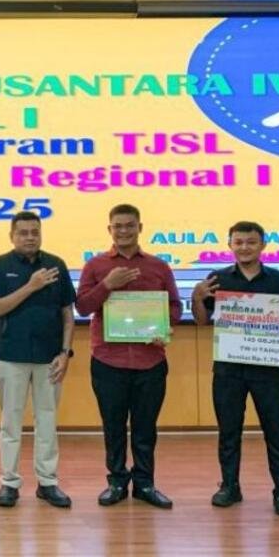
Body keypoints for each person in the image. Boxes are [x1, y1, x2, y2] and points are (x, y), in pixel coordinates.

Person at [191, 221, 279, 517]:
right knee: (228, 432)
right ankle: (230, 486)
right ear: (230, 245)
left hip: (269, 371)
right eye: (238, 242)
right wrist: (197, 297)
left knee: (276, 433)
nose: (244, 247)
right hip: (228, 370)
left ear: (262, 245)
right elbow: (202, 322)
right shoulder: (217, 279)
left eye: (251, 242)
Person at [75, 204, 182, 509]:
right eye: (118, 226)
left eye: (129, 225)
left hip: (151, 360)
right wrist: (107, 285)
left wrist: (165, 327)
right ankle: (117, 482)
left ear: (140, 228)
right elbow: (82, 307)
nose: (124, 231)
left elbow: (175, 308)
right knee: (113, 426)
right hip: (108, 360)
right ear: (109, 229)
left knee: (146, 427)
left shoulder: (159, 267)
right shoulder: (95, 266)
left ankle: (145, 484)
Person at [0, 211, 76, 509]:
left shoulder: (56, 264)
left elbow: (67, 314)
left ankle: (47, 482)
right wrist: (31, 286)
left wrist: (65, 352)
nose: (30, 237)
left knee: (47, 419)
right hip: (11, 355)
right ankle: (9, 483)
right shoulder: (0, 265)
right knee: (10, 421)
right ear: (12, 236)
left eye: (35, 232)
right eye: (23, 232)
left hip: (50, 356)